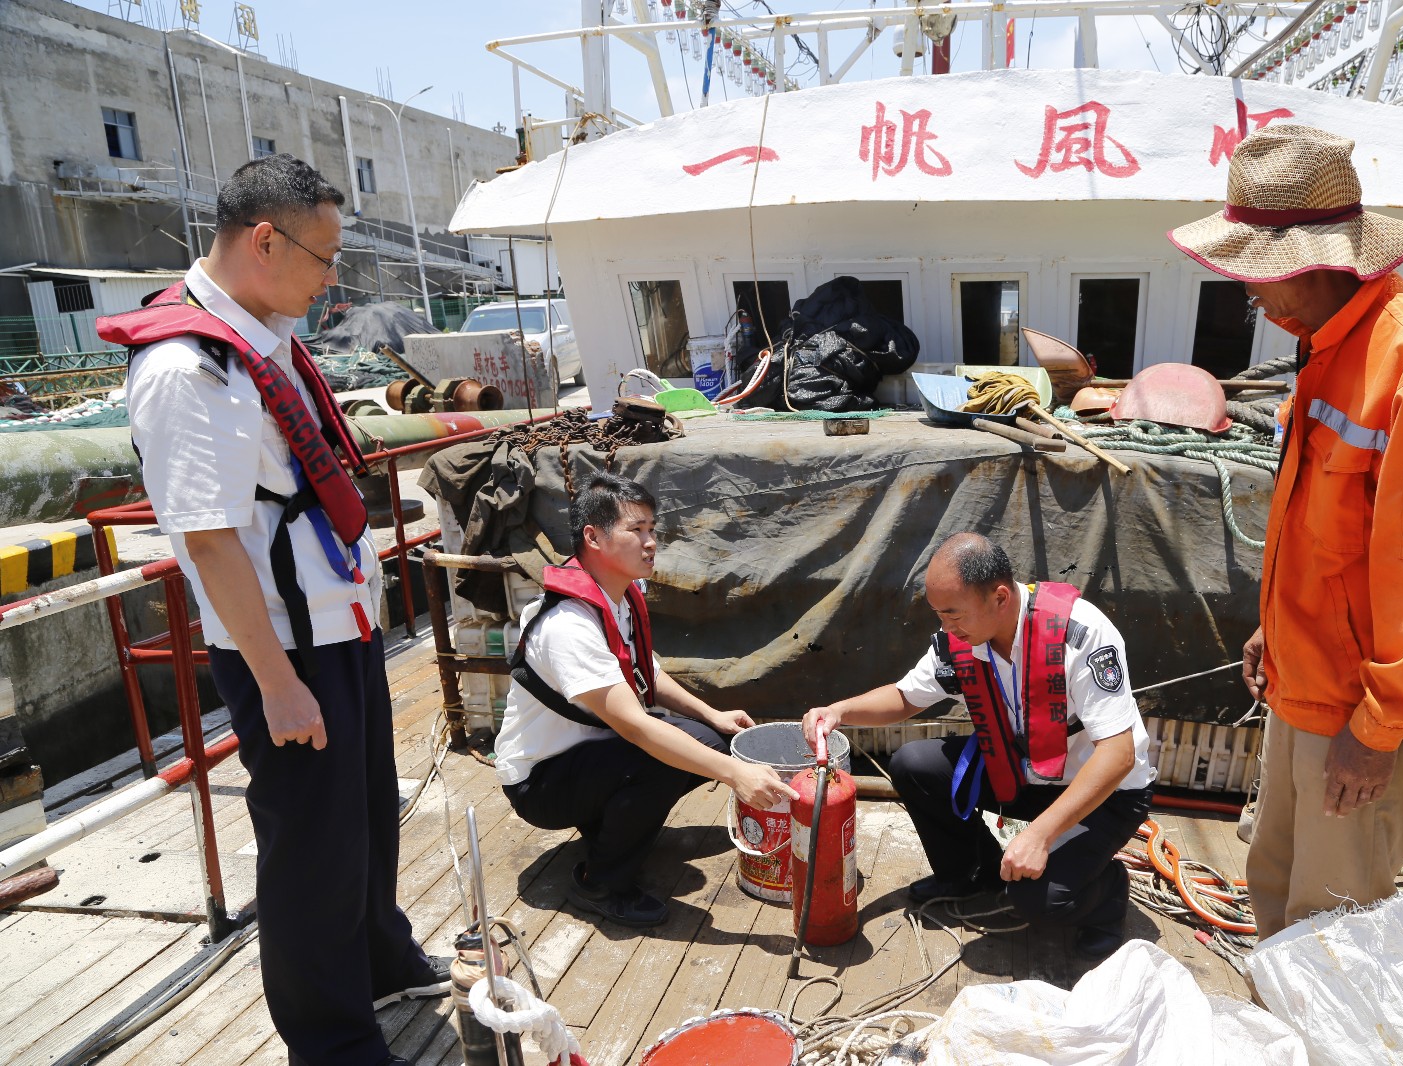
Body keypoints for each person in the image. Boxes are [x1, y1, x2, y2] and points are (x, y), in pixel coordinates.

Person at [103, 155, 443, 1066]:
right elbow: (210, 541)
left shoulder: (262, 328)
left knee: (365, 818)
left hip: (342, 620)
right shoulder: (187, 367)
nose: (333, 279)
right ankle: (331, 1043)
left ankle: (381, 961)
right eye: (325, 258)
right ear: (266, 240)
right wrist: (279, 683)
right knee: (308, 854)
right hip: (286, 649)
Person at [1168, 125, 1403, 940]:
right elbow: (1330, 536)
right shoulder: (1328, 348)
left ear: (1314, 263)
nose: (1249, 295)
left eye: (1254, 275)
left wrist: (1377, 730)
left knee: (1335, 929)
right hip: (1303, 689)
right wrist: (1273, 630)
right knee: (1278, 893)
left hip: (1355, 715)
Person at [801, 533, 1155, 960]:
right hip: (1024, 769)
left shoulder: (1081, 634)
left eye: (954, 615)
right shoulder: (961, 639)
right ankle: (971, 874)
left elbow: (1118, 754)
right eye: (939, 616)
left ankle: (1108, 894)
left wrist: (1041, 835)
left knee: (1039, 901)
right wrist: (839, 710)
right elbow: (905, 696)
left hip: (1103, 790)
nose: (946, 629)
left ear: (1000, 597)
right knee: (914, 763)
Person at [496, 474, 797, 928]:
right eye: (635, 530)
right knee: (658, 757)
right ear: (593, 538)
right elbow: (636, 727)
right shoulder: (570, 625)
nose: (651, 542)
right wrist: (738, 776)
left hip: (586, 754)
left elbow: (646, 672)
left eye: (652, 529)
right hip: (540, 782)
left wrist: (713, 714)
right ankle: (599, 882)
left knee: (708, 737)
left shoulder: (619, 596)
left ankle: (609, 825)